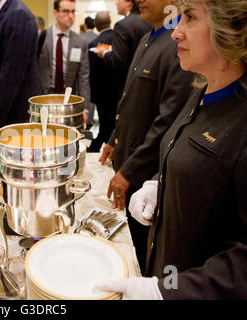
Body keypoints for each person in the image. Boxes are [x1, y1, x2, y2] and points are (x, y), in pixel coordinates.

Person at [95, 0, 246, 299]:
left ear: (229, 27)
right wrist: (160, 183)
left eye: (189, 17)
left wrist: (165, 292)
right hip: (167, 268)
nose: (176, 32)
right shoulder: (202, 90)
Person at [98, 0, 195, 274]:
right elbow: (131, 101)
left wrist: (130, 170)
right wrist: (114, 139)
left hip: (146, 175)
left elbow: (167, 120)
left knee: (137, 255)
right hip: (129, 158)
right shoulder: (145, 39)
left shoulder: (176, 44)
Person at [0, 0, 43, 136]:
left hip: (14, 114)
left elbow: (11, 76)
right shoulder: (5, 13)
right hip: (4, 112)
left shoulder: (18, 15)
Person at [38, 0, 91, 124]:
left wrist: (85, 108)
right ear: (55, 12)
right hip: (44, 97)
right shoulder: (41, 38)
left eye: (73, 11)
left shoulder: (80, 43)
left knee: (65, 137)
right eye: (66, 11)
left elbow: (83, 77)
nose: (71, 16)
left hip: (67, 99)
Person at [93, 0, 152, 102]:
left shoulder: (122, 25)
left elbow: (118, 60)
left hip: (126, 86)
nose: (116, 3)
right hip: (147, 83)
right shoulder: (149, 22)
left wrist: (104, 53)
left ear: (129, 2)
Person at [87, 12, 118, 152]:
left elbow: (92, 73)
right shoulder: (119, 40)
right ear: (110, 22)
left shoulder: (94, 44)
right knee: (114, 124)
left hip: (101, 93)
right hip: (118, 91)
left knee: (105, 124)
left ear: (96, 25)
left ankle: (97, 147)